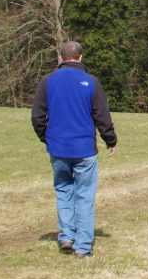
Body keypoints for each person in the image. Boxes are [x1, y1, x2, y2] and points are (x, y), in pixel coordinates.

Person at [31, 41, 117, 257]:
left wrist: (46, 138)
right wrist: (110, 139)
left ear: (60, 58)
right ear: (80, 57)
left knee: (63, 191)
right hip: (85, 149)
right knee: (84, 196)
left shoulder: (47, 82)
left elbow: (37, 117)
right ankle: (83, 245)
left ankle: (67, 236)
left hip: (58, 148)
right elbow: (102, 115)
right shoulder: (91, 82)